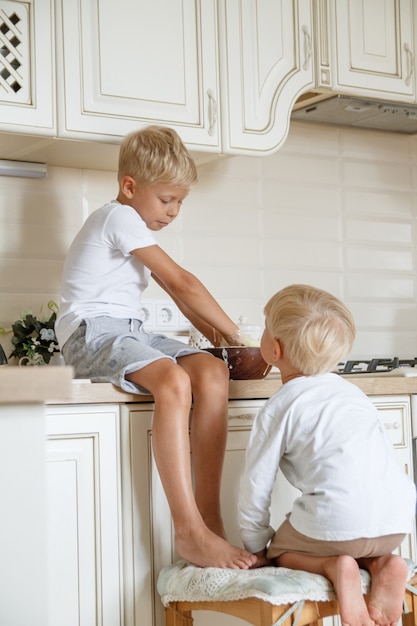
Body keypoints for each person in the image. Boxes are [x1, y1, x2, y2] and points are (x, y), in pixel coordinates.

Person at [55, 125, 257, 570]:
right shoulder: (118, 216)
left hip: (128, 329)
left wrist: (223, 347)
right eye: (167, 200)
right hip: (90, 332)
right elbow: (182, 282)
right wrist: (240, 337)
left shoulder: (132, 227)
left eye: (180, 202)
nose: (174, 211)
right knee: (172, 379)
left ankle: (210, 524)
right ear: (130, 187)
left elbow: (178, 294)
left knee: (211, 372)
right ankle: (188, 530)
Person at [238, 284, 416, 626]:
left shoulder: (280, 406)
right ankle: (384, 564)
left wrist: (257, 545)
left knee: (283, 549)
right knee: (346, 528)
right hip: (396, 521)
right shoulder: (354, 394)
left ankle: (335, 567)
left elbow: (256, 485)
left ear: (274, 349)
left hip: (339, 521)